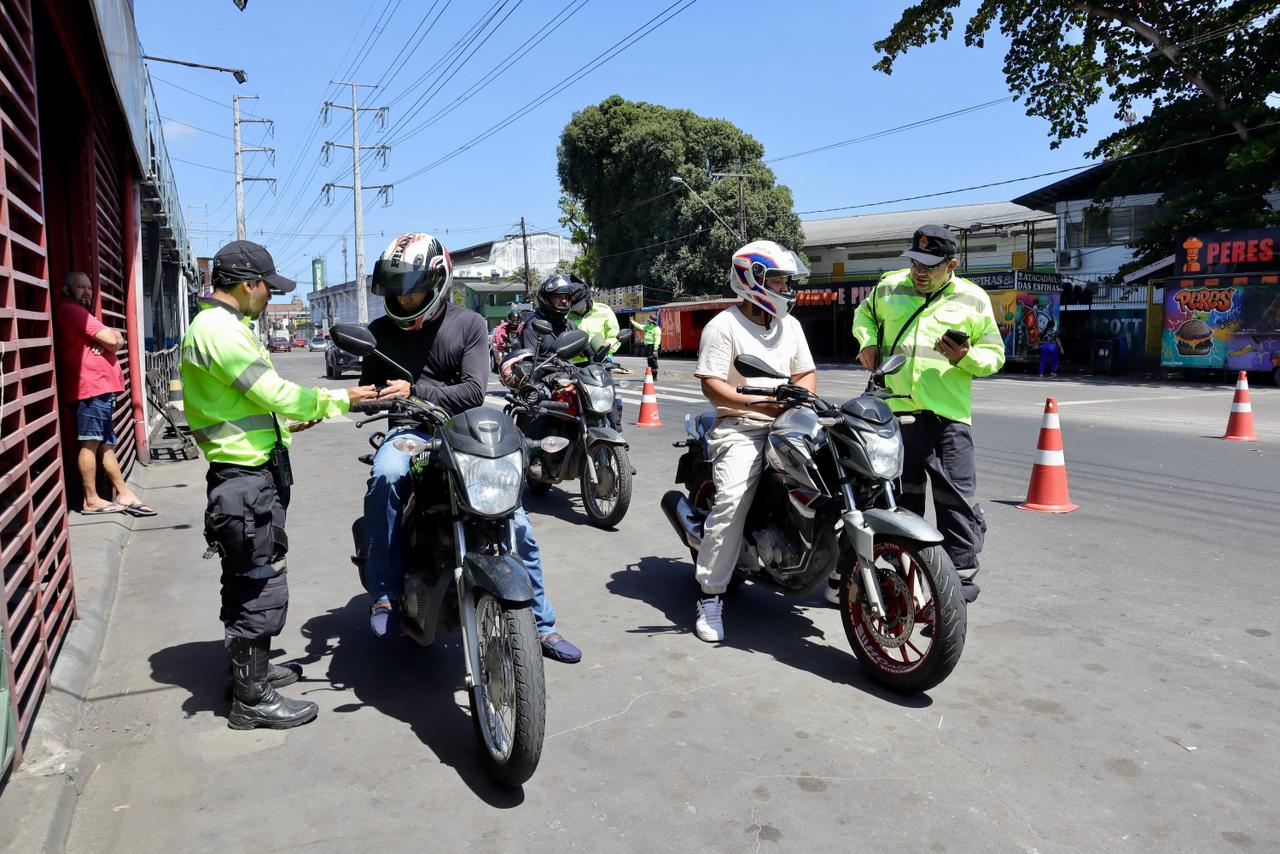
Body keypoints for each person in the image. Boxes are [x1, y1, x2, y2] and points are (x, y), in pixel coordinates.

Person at [181, 240, 379, 730]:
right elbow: (276, 393)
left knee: (248, 577)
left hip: (250, 477)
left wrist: (286, 427)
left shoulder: (227, 328)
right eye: (268, 287)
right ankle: (251, 699)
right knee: (261, 584)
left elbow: (247, 407)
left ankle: (251, 671)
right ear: (248, 285)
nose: (270, 295)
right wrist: (346, 399)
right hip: (245, 484)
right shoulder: (218, 330)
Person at [360, 233, 581, 663]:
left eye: (414, 292)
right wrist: (374, 396)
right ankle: (385, 593)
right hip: (411, 430)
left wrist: (415, 388)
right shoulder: (379, 332)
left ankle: (541, 623)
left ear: (439, 282)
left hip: (464, 432)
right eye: (398, 294)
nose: (405, 302)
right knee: (385, 476)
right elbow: (368, 391)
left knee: (515, 518)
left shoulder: (469, 324)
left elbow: (474, 392)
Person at [851, 225, 1005, 606]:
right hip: (893, 414)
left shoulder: (973, 298)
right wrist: (867, 341)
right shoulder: (889, 286)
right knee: (897, 501)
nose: (919, 271)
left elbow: (995, 354)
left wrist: (964, 357)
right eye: (916, 261)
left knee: (955, 503)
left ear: (952, 264)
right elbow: (864, 315)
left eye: (930, 265)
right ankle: (899, 584)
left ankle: (957, 592)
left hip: (947, 419)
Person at [690, 240, 816, 643]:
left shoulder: (791, 326)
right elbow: (713, 386)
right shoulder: (723, 326)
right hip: (741, 425)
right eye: (777, 280)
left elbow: (806, 375)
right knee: (730, 503)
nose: (784, 288)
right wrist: (760, 406)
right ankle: (710, 595)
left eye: (785, 281)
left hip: (790, 423)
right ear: (752, 279)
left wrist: (800, 401)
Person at [54, 272, 155, 517]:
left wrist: (110, 339)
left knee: (106, 444)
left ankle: (124, 492)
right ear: (67, 290)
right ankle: (90, 499)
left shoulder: (84, 315)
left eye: (89, 287)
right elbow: (112, 338)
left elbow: (116, 339)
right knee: (90, 442)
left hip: (101, 389)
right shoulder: (72, 311)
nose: (87, 292)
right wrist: (109, 338)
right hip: (91, 388)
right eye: (80, 287)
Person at [520, 273, 578, 355]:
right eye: (559, 297)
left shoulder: (570, 326)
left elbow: (590, 351)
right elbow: (528, 362)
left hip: (570, 367)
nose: (564, 301)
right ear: (546, 299)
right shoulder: (533, 326)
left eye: (566, 297)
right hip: (541, 367)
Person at [630, 314, 662, 381]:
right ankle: (650, 376)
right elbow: (639, 326)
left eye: (648, 320)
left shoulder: (656, 329)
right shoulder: (647, 327)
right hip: (647, 346)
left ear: (651, 321)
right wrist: (632, 321)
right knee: (649, 362)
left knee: (653, 362)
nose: (647, 320)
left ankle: (654, 377)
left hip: (652, 347)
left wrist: (655, 350)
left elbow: (657, 340)